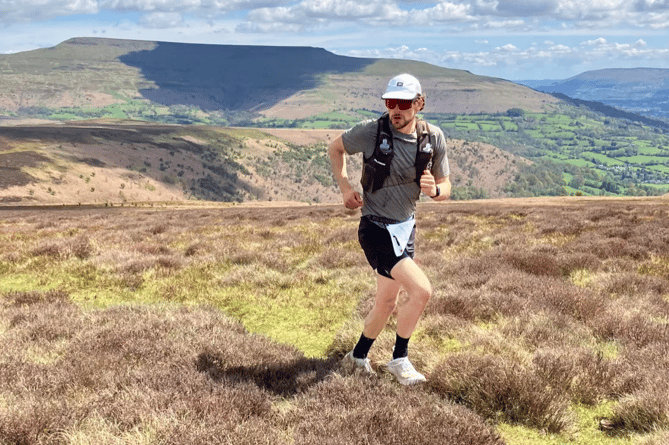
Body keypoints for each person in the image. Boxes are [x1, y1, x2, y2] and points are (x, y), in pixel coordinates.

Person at [328, 73, 451, 385]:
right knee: (422, 290)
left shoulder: (432, 138)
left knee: (385, 303)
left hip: (405, 229)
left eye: (404, 103)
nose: (396, 109)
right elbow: (335, 148)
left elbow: (445, 186)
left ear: (419, 103)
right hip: (375, 228)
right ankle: (399, 359)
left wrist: (434, 191)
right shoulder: (372, 132)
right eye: (390, 102)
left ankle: (357, 357)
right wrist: (344, 188)